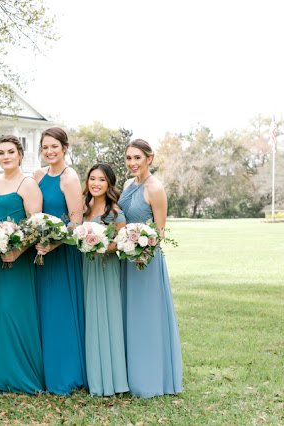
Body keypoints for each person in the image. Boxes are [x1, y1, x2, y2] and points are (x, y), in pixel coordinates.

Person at [0, 135, 45, 394]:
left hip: (16, 261)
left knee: (13, 312)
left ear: (20, 154)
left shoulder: (28, 184)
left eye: (10, 151)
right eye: (0, 152)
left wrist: (17, 252)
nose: (5, 156)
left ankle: (21, 376)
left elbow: (36, 225)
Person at [118, 139, 182, 398]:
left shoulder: (155, 188)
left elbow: (160, 231)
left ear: (149, 159)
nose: (132, 163)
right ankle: (127, 374)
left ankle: (149, 379)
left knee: (146, 317)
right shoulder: (126, 185)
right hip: (125, 260)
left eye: (137, 158)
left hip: (145, 261)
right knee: (127, 315)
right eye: (128, 158)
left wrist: (139, 244)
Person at [33, 127, 87, 394]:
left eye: (54, 146)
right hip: (40, 253)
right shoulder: (39, 175)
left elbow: (76, 221)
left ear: (65, 148)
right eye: (45, 147)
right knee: (43, 310)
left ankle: (65, 374)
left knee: (60, 312)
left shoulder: (70, 177)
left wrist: (53, 243)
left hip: (62, 253)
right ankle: (44, 371)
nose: (49, 151)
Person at [81, 163, 129, 396]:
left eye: (101, 179)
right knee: (90, 318)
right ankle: (92, 377)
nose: (96, 183)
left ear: (109, 183)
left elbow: (121, 242)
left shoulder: (115, 212)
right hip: (85, 268)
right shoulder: (83, 208)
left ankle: (112, 381)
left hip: (105, 267)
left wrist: (101, 247)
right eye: (92, 178)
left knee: (107, 319)